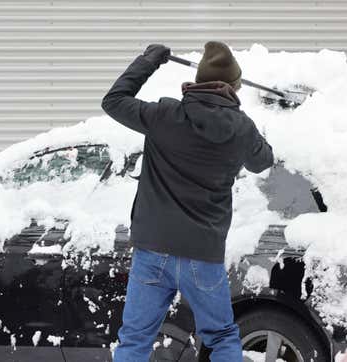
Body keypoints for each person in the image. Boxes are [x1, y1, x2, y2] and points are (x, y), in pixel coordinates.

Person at [101, 41, 274, 362]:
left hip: (152, 249)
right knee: (222, 338)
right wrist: (244, 123)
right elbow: (263, 161)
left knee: (135, 340)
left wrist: (149, 61)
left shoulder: (164, 115)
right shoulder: (241, 129)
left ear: (198, 81)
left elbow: (113, 101)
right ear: (233, 86)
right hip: (202, 255)